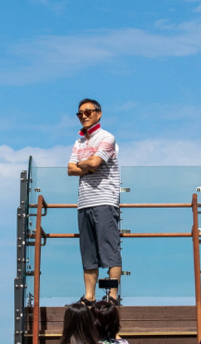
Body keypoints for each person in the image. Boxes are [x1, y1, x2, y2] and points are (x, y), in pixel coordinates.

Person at [67, 98, 122, 306]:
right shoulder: (78, 142)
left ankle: (112, 296)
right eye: (80, 113)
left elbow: (95, 162)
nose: (84, 116)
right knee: (88, 252)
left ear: (99, 114)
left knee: (109, 249)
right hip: (84, 202)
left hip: (104, 200)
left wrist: (85, 165)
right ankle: (89, 296)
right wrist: (87, 166)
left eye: (88, 112)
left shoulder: (107, 138)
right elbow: (70, 169)